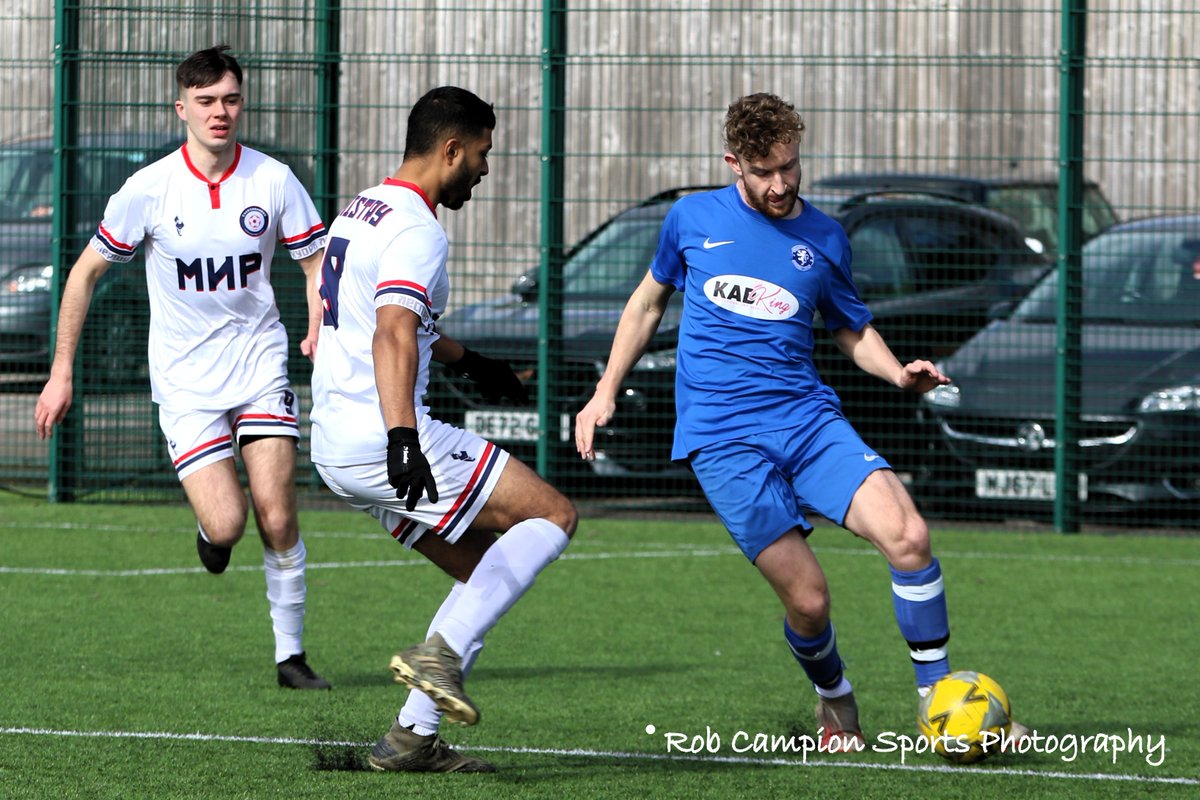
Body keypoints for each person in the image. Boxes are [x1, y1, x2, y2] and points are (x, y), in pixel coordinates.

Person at [576, 92, 1028, 751]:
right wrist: (603, 391)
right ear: (733, 163)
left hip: (807, 420)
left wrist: (899, 372)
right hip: (723, 439)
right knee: (810, 602)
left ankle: (937, 701)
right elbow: (646, 306)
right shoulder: (691, 220)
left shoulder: (825, 236)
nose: (782, 183)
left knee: (909, 534)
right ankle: (835, 699)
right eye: (765, 171)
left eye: (791, 166)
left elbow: (851, 328)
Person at [34, 45, 330, 691]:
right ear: (182, 109)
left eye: (230, 100)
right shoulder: (147, 189)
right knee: (228, 524)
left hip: (260, 365)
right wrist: (61, 372)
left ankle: (292, 657)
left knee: (278, 515)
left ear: (240, 103)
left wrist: (316, 325)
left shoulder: (274, 180)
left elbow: (315, 266)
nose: (220, 113)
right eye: (206, 102)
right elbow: (83, 275)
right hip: (185, 383)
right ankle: (211, 528)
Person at [309, 85, 577, 773]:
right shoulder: (419, 229)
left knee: (485, 575)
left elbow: (389, 318)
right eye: (481, 155)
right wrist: (404, 437)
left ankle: (410, 739)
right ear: (451, 149)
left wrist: (470, 361)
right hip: (385, 434)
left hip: (336, 443)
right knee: (551, 514)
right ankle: (437, 662)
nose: (483, 171)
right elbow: (393, 331)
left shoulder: (362, 209)